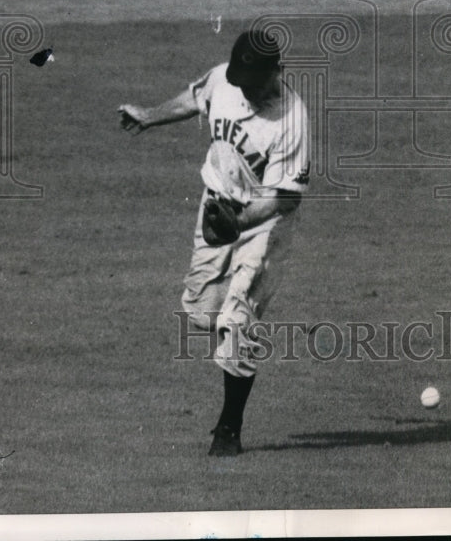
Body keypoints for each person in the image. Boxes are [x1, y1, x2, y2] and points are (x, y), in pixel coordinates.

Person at [118, 28, 310, 456]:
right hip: (215, 209)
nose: (246, 90)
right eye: (241, 81)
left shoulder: (292, 119)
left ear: (276, 72)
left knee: (237, 321)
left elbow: (285, 199)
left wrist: (239, 222)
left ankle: (228, 429)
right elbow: (195, 98)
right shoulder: (224, 79)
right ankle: (227, 333)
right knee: (204, 313)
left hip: (263, 223)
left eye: (254, 83)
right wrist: (149, 116)